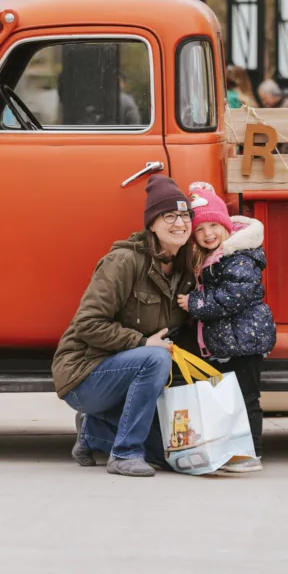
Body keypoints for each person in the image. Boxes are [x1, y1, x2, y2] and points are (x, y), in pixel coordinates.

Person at [52, 175, 197, 477]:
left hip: (133, 374)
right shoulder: (124, 262)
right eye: (169, 215)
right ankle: (124, 453)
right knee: (156, 357)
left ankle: (94, 430)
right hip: (85, 374)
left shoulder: (184, 271)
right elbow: (87, 325)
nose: (180, 223)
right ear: (152, 224)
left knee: (168, 455)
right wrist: (142, 344)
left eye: (185, 215)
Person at [177, 182, 276, 473]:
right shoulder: (213, 257)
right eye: (200, 229)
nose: (208, 234)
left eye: (213, 226)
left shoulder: (238, 257)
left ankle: (251, 454)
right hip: (229, 340)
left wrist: (195, 303)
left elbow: (233, 297)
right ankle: (232, 450)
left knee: (246, 399)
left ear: (225, 225)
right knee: (227, 399)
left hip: (245, 341)